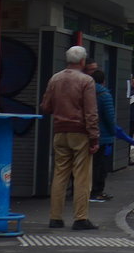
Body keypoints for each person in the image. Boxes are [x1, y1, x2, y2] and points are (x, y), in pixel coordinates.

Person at [40, 45, 100, 230]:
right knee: (81, 176)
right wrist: (94, 137)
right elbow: (91, 112)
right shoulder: (86, 81)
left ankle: (55, 217)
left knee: (60, 174)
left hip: (59, 132)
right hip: (80, 132)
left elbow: (46, 106)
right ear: (82, 61)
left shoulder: (55, 79)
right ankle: (80, 218)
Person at [89, 69, 116, 203]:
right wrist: (113, 132)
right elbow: (110, 117)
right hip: (103, 135)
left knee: (91, 164)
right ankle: (97, 191)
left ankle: (88, 189)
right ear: (104, 81)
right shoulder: (105, 95)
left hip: (87, 134)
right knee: (101, 165)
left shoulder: (86, 93)